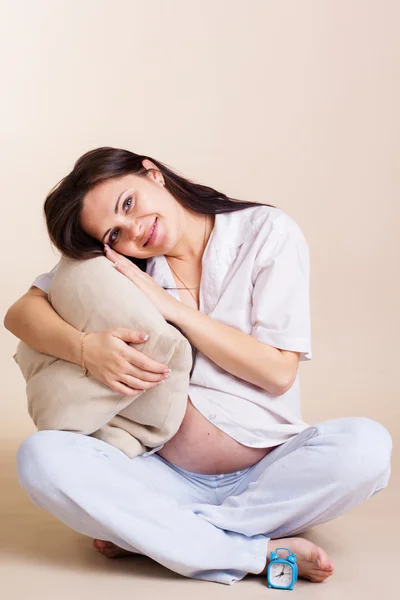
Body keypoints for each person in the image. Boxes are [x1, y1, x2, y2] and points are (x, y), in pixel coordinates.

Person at [5, 147, 392, 586]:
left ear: (153, 174)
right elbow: (20, 313)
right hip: (158, 473)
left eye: (128, 204)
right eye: (114, 234)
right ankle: (249, 549)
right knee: (42, 458)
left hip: (270, 472)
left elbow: (277, 372)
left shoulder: (264, 231)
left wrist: (172, 309)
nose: (133, 230)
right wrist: (85, 348)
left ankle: (157, 534)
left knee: (367, 447)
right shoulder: (120, 267)